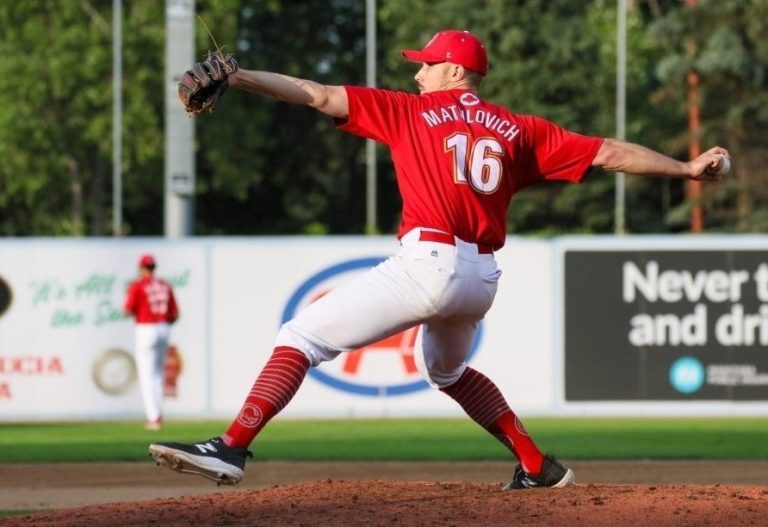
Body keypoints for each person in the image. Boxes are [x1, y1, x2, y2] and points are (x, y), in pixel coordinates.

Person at [149, 29, 729, 488]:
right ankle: (537, 466)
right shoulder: (519, 129)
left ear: (455, 71)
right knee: (446, 370)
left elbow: (317, 94)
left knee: (300, 337)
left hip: (428, 264)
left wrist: (241, 76)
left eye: (426, 62)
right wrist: (684, 168)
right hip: (480, 277)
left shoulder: (408, 111)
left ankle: (231, 447)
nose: (416, 71)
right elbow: (609, 152)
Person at [125, 254, 179, 430]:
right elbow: (175, 314)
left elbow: (128, 310)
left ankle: (153, 417)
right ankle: (158, 413)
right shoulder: (164, 285)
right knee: (158, 374)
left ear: (141, 268)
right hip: (164, 327)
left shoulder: (138, 285)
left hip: (146, 328)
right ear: (154, 267)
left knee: (146, 375)